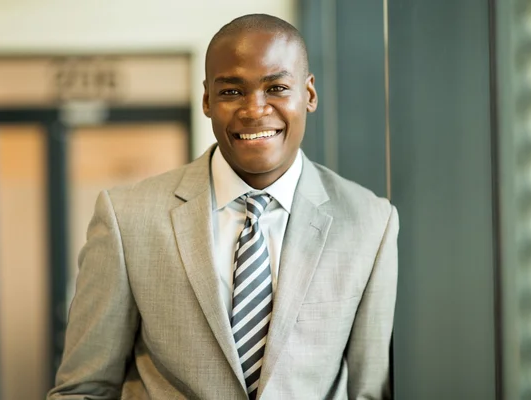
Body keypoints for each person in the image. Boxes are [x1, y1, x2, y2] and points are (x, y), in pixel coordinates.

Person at [48, 13, 398, 400]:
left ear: (309, 95)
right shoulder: (127, 219)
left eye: (277, 88)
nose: (254, 109)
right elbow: (83, 388)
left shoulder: (370, 222)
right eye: (232, 92)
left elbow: (371, 391)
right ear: (207, 100)